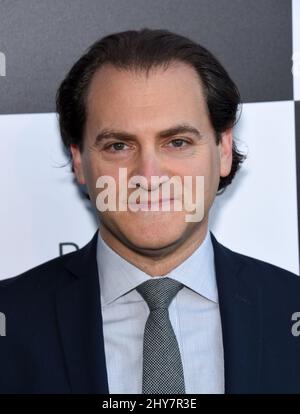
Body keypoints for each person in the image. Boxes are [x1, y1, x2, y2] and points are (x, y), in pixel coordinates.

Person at [1, 28, 300, 394]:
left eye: (177, 142)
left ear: (223, 149)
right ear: (79, 160)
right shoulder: (11, 322)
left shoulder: (290, 309)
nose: (149, 176)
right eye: (118, 145)